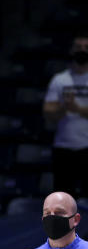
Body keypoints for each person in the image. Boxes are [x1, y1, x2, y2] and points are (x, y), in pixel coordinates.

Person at [44, 33, 88, 196]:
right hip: (64, 148)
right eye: (78, 47)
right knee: (63, 199)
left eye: (86, 47)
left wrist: (77, 109)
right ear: (71, 50)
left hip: (87, 146)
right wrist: (64, 108)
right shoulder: (59, 80)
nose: (82, 50)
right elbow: (48, 112)